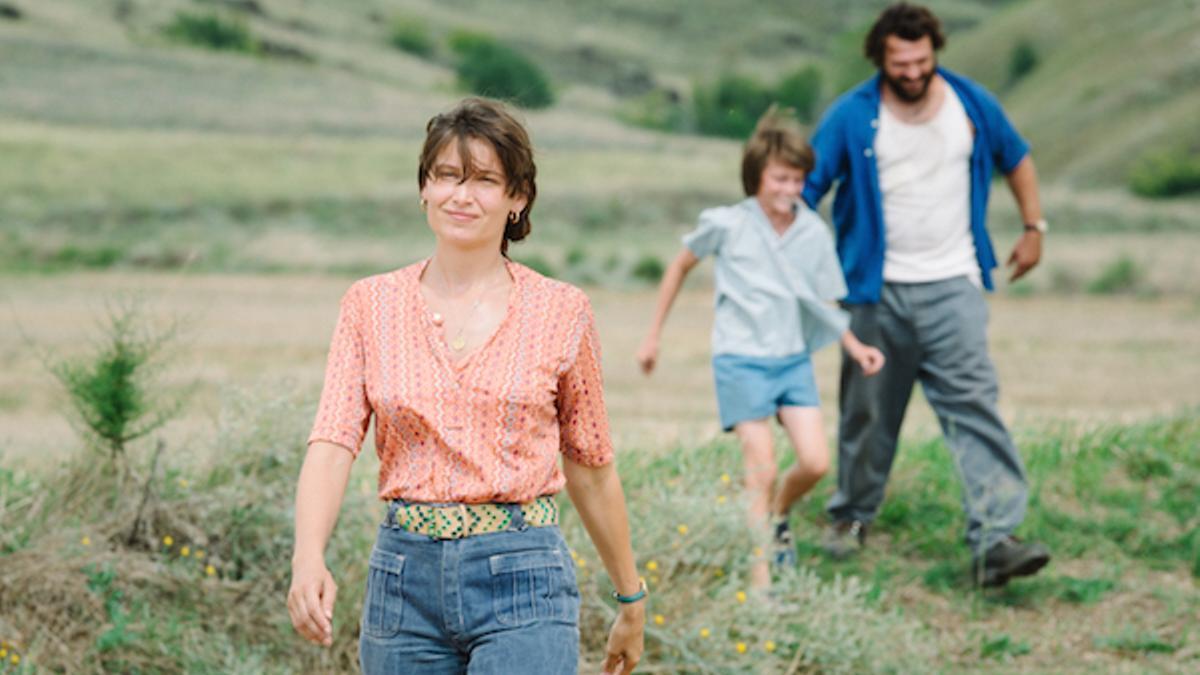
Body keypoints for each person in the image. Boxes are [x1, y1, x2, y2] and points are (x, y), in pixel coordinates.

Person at [287, 98, 645, 674]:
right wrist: (308, 560)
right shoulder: (368, 305)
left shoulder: (561, 310)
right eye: (447, 176)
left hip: (524, 577)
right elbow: (331, 444)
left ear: (517, 198)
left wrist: (630, 598)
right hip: (402, 581)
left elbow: (591, 464)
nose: (461, 194)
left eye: (484, 180)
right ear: (424, 188)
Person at [802, 2, 1051, 587]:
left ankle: (996, 539)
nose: (912, 71)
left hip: (954, 283)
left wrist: (1034, 228)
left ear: (934, 52)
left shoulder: (971, 103)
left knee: (975, 406)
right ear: (881, 60)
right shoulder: (852, 114)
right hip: (874, 291)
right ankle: (851, 519)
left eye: (921, 60)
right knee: (868, 412)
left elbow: (1017, 158)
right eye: (900, 62)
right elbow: (808, 186)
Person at [637, 108, 885, 589]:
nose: (790, 189)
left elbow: (820, 300)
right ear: (757, 177)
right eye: (780, 179)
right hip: (740, 359)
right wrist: (653, 336)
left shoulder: (812, 231)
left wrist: (855, 346)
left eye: (798, 180)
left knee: (815, 462)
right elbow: (678, 267)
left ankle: (774, 515)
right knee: (761, 467)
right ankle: (760, 586)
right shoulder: (726, 224)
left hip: (792, 360)